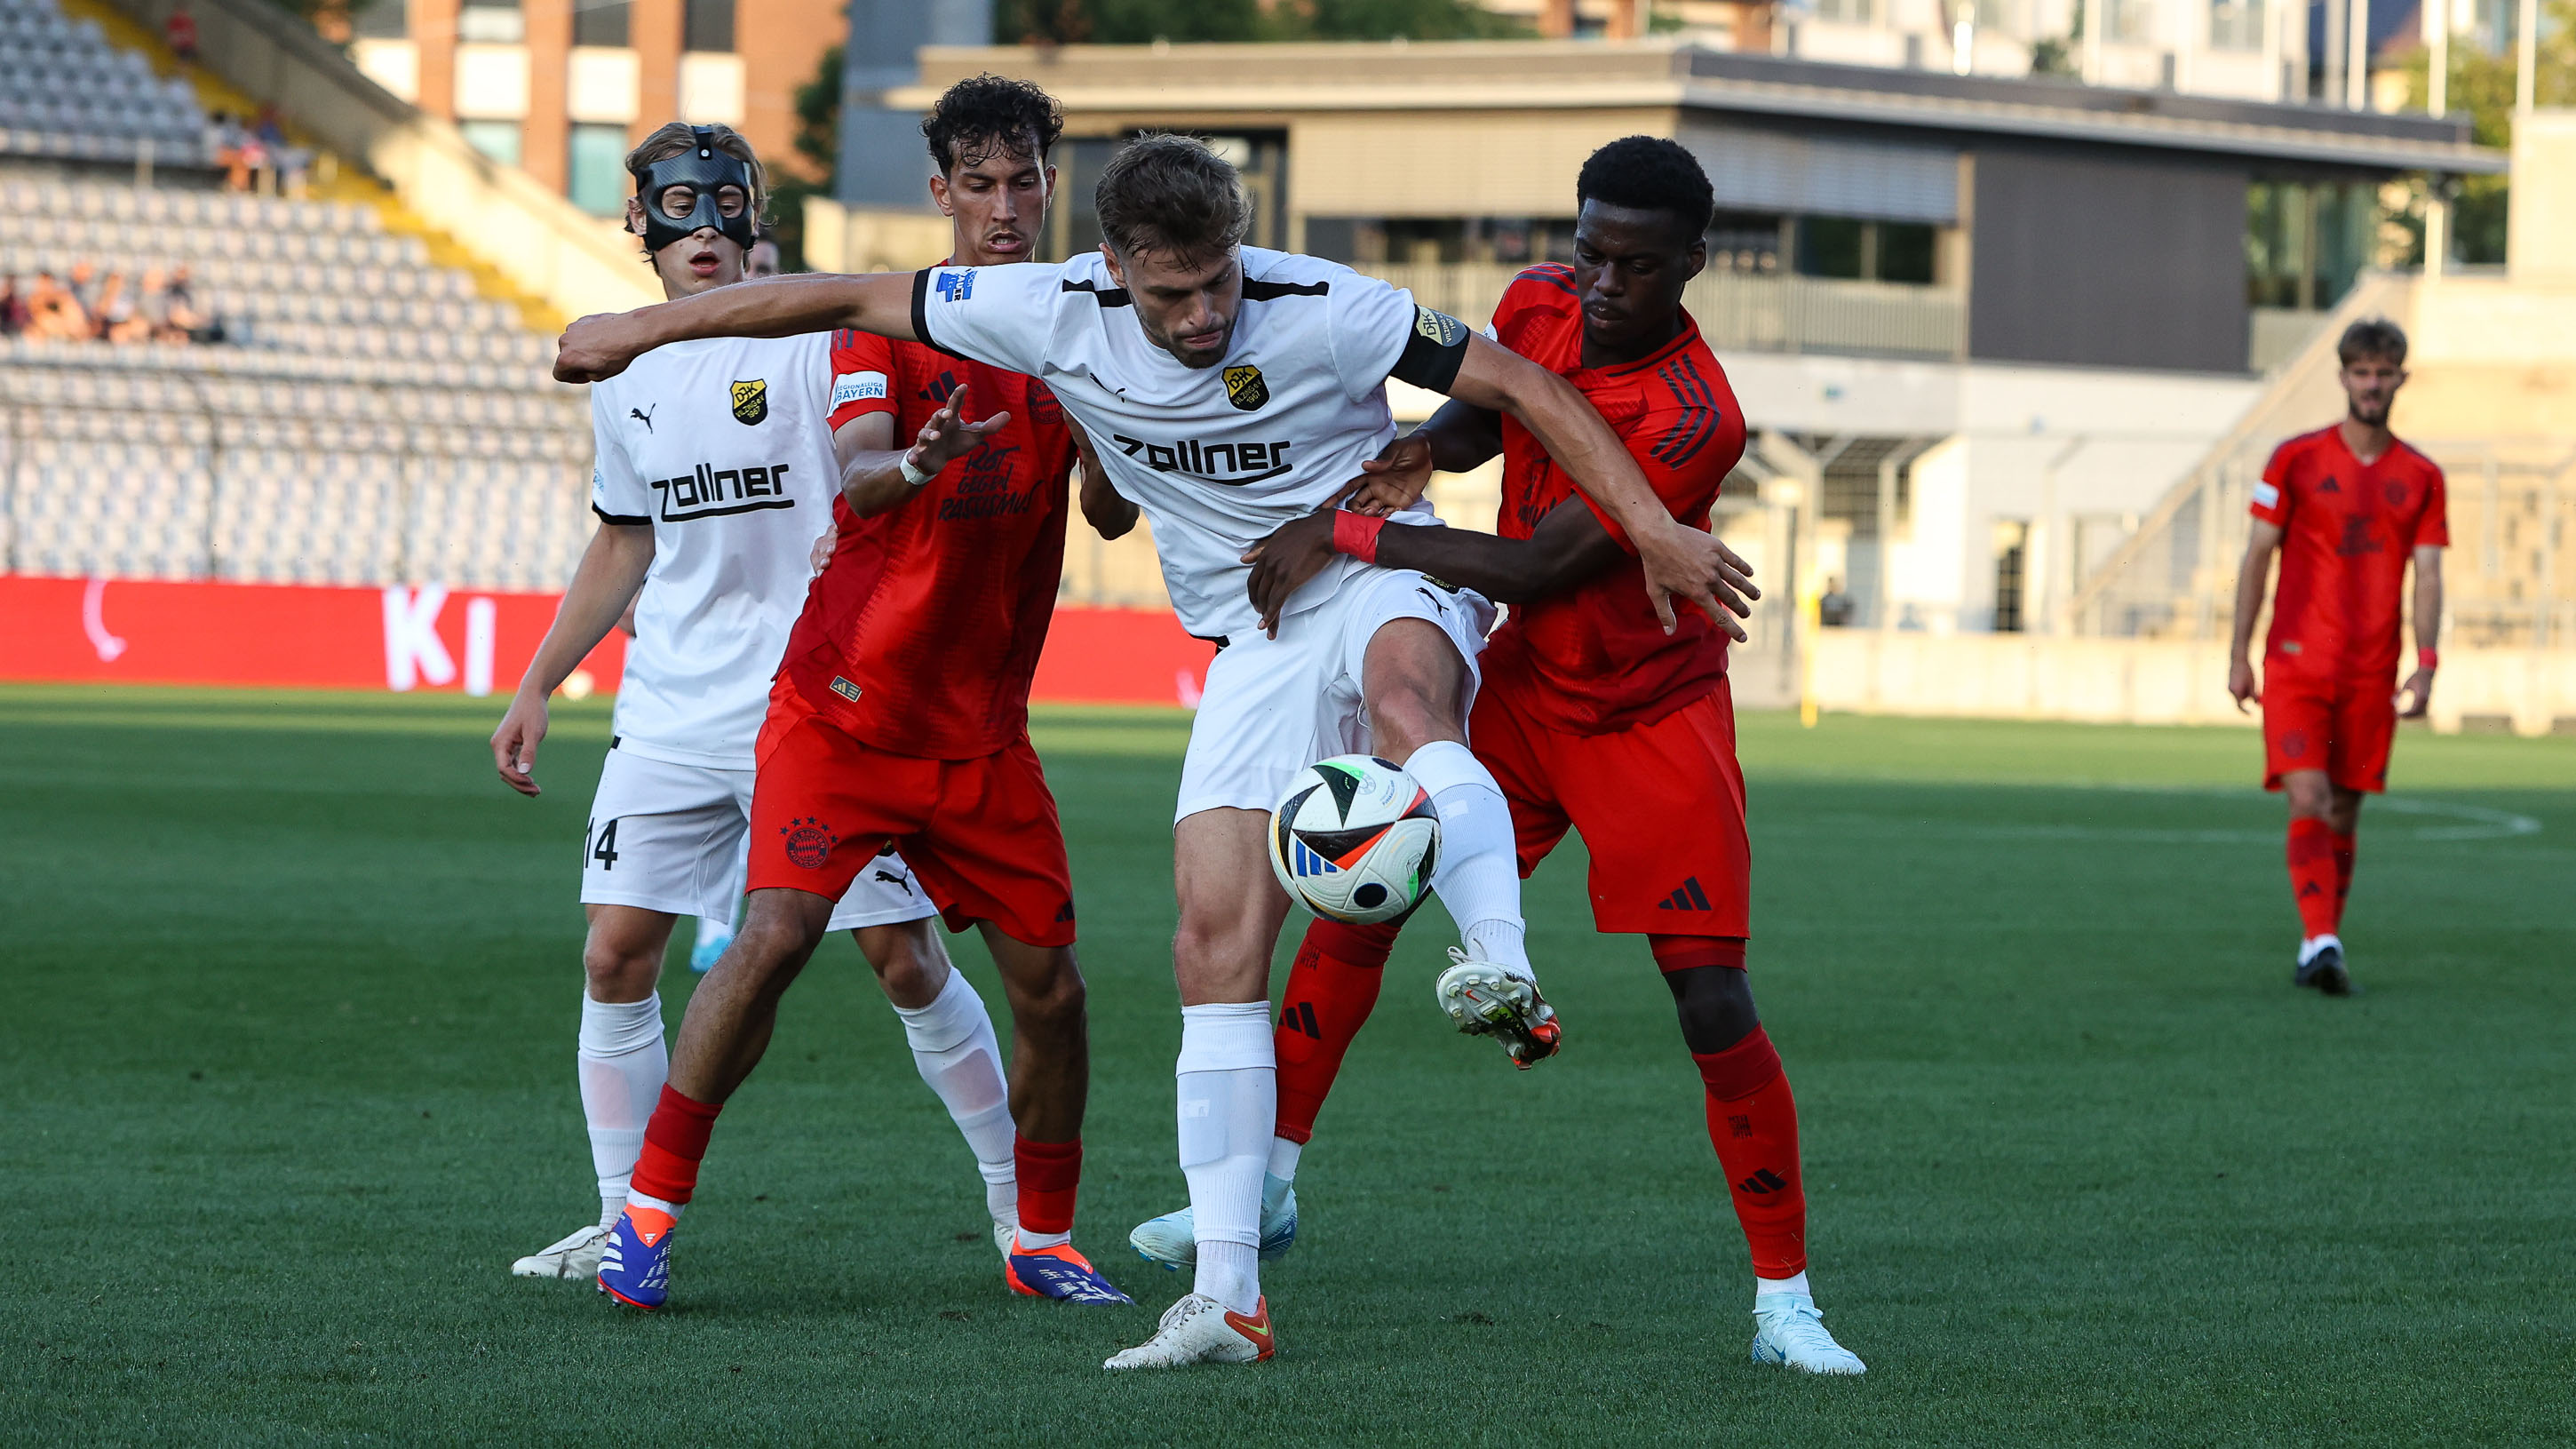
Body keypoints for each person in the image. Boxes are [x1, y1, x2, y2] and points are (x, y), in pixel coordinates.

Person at [555, 131, 1758, 1369]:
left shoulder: (1327, 305)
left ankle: (1495, 960)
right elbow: (834, 293)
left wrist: (1656, 529)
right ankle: (1229, 1295)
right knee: (1212, 939)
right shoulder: (1042, 307)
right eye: (1172, 293)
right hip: (1250, 631)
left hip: (1369, 566)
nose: (1202, 316)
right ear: (1117, 271)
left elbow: (1522, 385)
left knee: (1410, 701)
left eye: (1219, 283)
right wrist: (636, 331)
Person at [1127, 134, 1863, 1376]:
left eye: (1635, 264)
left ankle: (1786, 1298)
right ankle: (1271, 1190)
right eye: (1590, 251)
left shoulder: (1699, 416)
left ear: (1691, 265)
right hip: (1524, 691)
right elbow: (1484, 420)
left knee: (1712, 997)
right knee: (1358, 890)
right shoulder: (1536, 299)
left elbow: (1531, 565)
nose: (1601, 282)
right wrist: (1428, 448)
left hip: (1650, 709)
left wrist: (1351, 532)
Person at [576, 84, 1141, 1312]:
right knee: (771, 937)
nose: (1005, 206)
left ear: (1051, 185)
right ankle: (646, 1214)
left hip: (984, 734)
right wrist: (922, 460)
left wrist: (1110, 431)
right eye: (979, 185)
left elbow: (1109, 511)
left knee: (1052, 985)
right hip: (843, 710)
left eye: (1025, 181)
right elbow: (865, 473)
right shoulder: (891, 318)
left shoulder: (1092, 330)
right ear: (940, 194)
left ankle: (1041, 1232)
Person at [491, 122, 973, 1285]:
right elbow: (623, 534)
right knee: (615, 953)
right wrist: (538, 680)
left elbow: (881, 471)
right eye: (675, 205)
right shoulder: (627, 369)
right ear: (639, 223)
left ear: (756, 212)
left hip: (816, 705)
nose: (700, 225)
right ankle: (624, 1220)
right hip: (669, 706)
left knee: (904, 957)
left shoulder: (815, 333)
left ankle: (1025, 1217)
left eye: (722, 203)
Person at [2227, 318, 2446, 996]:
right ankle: (2323, 938)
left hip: (2371, 670)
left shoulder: (2422, 476)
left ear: (2400, 379)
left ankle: (2316, 942)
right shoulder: (2294, 459)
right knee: (2309, 794)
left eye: (2383, 373)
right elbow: (2258, 555)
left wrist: (2428, 660)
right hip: (2295, 663)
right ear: (2343, 377)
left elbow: (2431, 573)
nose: (2372, 384)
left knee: (2346, 810)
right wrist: (2238, 652)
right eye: (2361, 372)